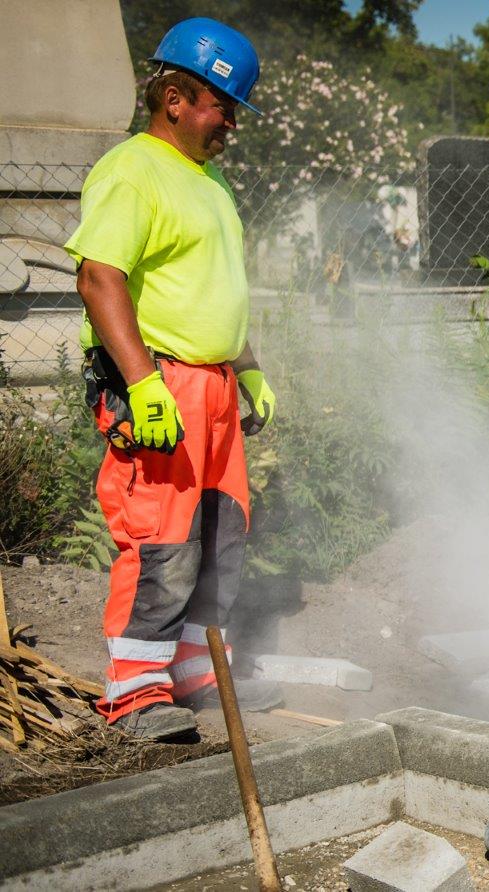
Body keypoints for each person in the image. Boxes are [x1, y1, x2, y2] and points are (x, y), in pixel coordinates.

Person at [65, 18, 280, 740]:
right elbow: (100, 277)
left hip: (213, 387)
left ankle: (193, 670)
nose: (230, 124)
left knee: (219, 533)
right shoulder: (132, 169)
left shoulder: (210, 180)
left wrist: (246, 371)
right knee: (160, 538)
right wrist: (143, 383)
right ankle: (134, 690)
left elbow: (216, 288)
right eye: (223, 106)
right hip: (162, 382)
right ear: (175, 96)